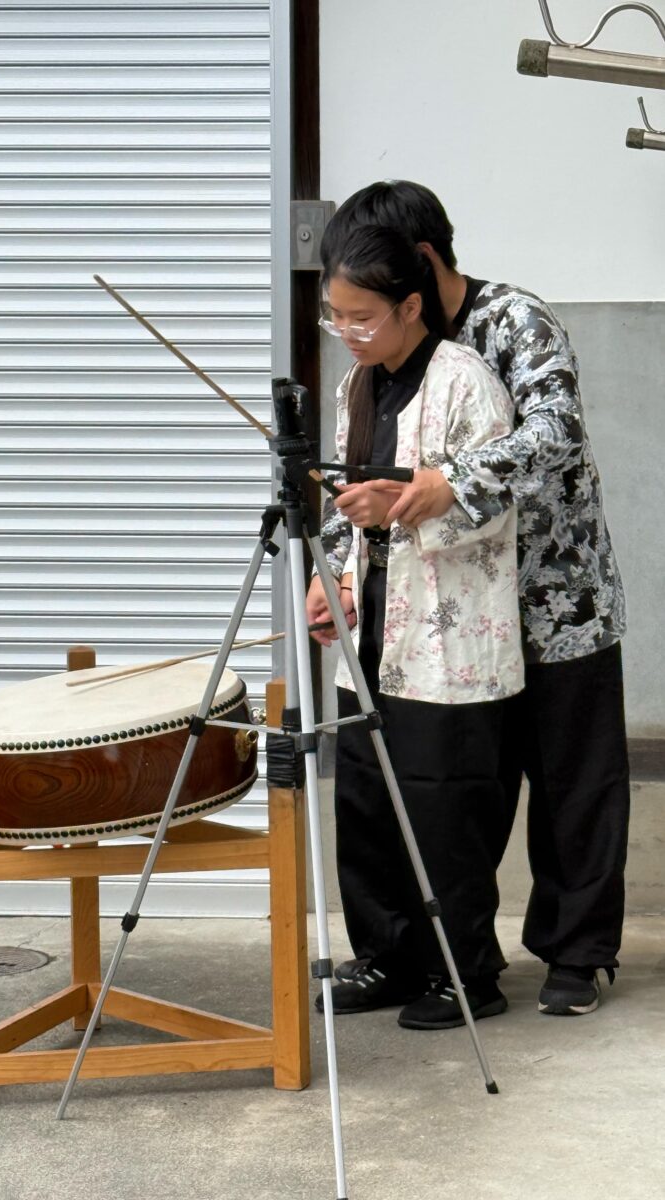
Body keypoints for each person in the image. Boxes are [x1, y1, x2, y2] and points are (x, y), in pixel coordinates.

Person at [308, 180, 629, 1017]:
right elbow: (358, 477)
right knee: (446, 788)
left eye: (362, 303)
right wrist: (340, 569)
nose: (348, 324)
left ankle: (574, 956)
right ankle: (417, 953)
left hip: (552, 595)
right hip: (441, 608)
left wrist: (451, 484)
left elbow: (555, 434)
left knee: (570, 782)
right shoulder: (378, 359)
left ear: (416, 274)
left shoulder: (514, 321)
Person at [309, 222, 524, 1031]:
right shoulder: (354, 386)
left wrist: (399, 509)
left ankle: (465, 973)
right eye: (336, 317)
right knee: (365, 798)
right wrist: (326, 581)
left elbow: (498, 500)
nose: (348, 332)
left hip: (450, 632)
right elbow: (340, 502)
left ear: (409, 306)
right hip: (372, 630)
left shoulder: (466, 379)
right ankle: (385, 958)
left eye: (362, 317)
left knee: (443, 805)